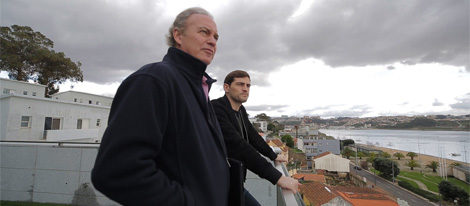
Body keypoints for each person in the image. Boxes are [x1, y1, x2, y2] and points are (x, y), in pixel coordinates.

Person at [91, 7, 230, 206]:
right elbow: (117, 172)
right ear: (178, 35)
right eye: (204, 32)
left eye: (216, 37)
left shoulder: (200, 88)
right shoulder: (153, 80)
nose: (212, 41)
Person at [211, 70, 301, 206]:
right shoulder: (216, 110)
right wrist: (278, 178)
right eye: (240, 84)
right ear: (226, 87)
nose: (245, 89)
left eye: (248, 86)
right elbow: (239, 146)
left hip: (234, 180)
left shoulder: (240, 110)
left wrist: (272, 155)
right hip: (217, 182)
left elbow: (253, 137)